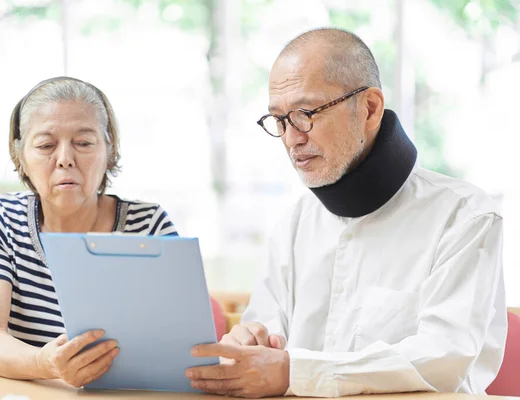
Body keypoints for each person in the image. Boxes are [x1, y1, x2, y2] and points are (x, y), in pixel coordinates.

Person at [187, 28, 506, 398]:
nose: (292, 138)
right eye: (279, 120)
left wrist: (294, 372)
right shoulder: (293, 223)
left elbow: (443, 358)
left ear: (370, 109)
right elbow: (265, 335)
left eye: (306, 113)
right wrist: (249, 342)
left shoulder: (464, 215)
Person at [0, 77, 178, 388]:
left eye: (84, 143)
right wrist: (46, 363)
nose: (64, 159)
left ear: (109, 151)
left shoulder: (149, 225)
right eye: (46, 145)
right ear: (20, 155)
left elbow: (176, 339)